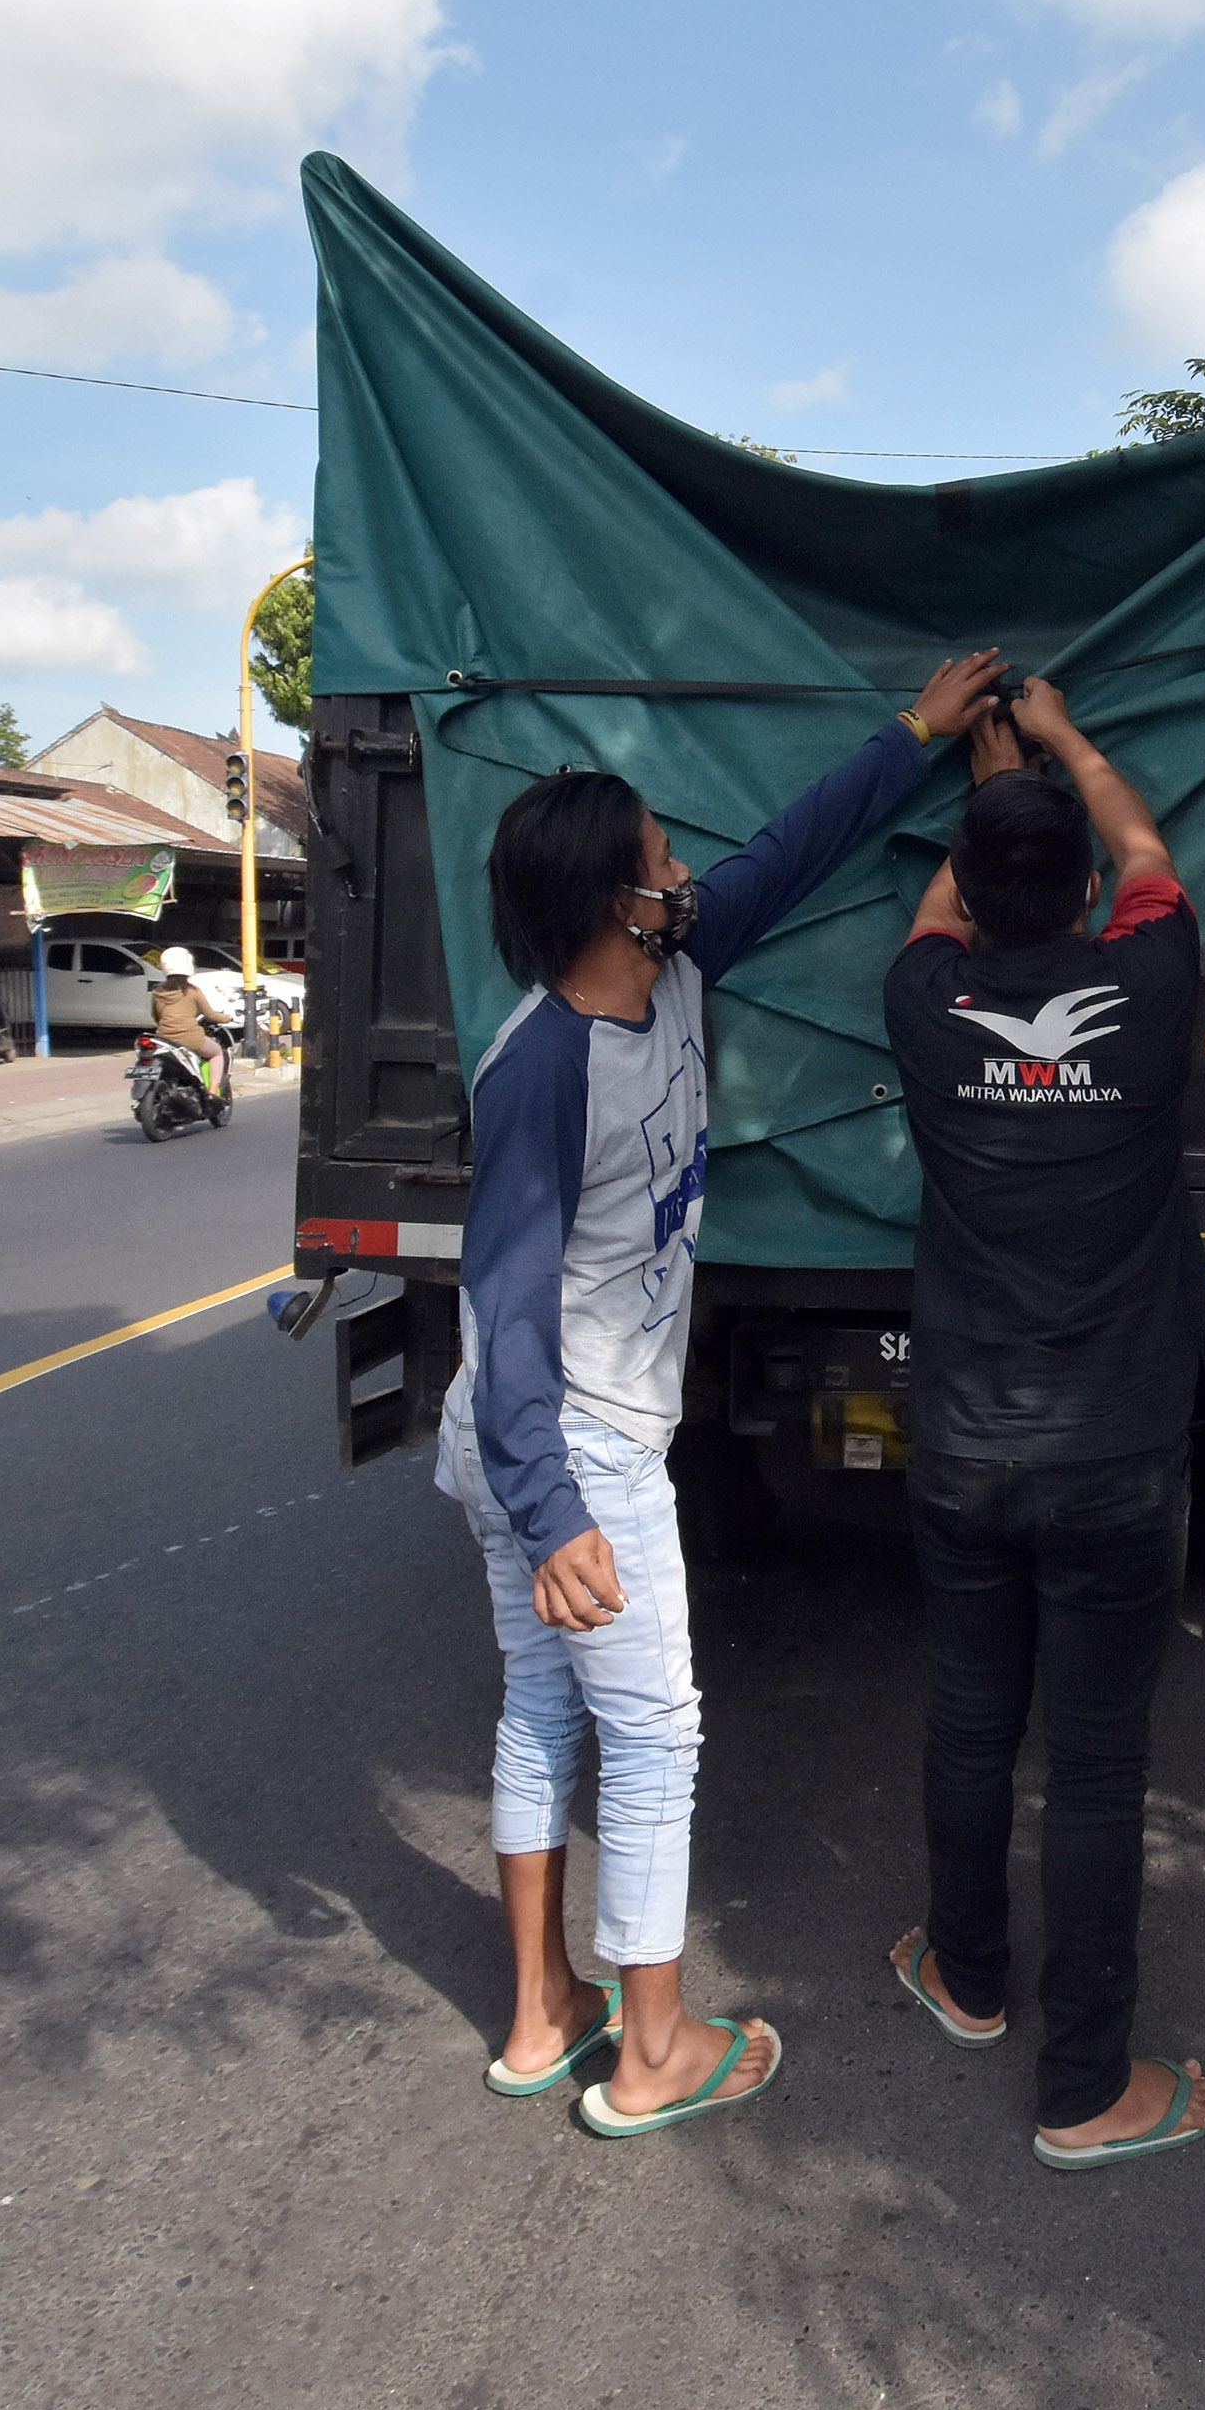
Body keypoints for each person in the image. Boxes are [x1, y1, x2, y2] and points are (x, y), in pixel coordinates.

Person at [438, 648, 1001, 2135]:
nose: (684, 872)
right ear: (613, 902)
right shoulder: (542, 1069)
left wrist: (916, 734)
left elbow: (791, 848)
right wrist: (553, 1509)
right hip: (565, 1441)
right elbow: (501, 1304)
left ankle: (543, 2013)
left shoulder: (676, 972)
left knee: (542, 1707)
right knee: (655, 1733)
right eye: (659, 858)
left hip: (548, 1434)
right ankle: (653, 2054)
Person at [878, 678, 1205, 2172]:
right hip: (1115, 1451)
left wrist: (986, 778)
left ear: (965, 890)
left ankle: (966, 1975)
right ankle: (1084, 2087)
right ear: (1088, 895)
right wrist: (1065, 740)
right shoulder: (1150, 978)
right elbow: (1145, 846)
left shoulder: (922, 1000)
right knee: (1093, 1766)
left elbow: (940, 910)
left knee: (970, 1719)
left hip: (964, 1442)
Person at [145, 946, 231, 1104]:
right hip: (191, 1039)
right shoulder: (192, 991)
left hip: (164, 1040)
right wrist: (227, 1018)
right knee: (217, 1052)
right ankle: (213, 1093)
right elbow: (210, 1015)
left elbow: (156, 1016)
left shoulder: (157, 992)